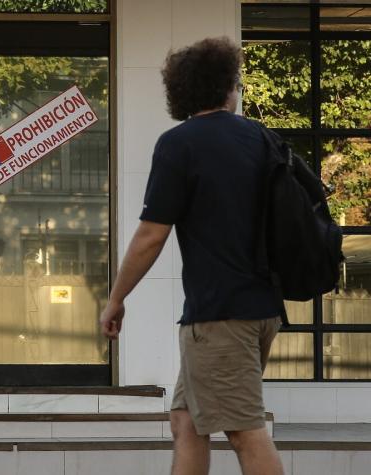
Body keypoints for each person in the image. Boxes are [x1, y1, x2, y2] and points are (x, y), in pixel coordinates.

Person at [99, 37, 285, 475]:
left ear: (180, 91)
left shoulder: (180, 144)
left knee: (243, 430)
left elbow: (151, 235)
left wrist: (116, 298)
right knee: (186, 422)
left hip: (221, 315)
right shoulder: (261, 138)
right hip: (261, 309)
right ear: (227, 87)